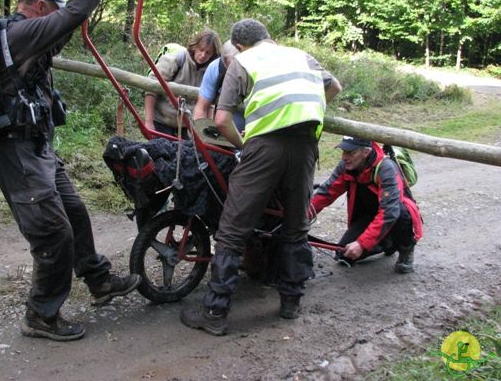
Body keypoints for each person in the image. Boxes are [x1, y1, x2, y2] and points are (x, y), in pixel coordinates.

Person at [0, 0, 141, 342]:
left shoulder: (31, 37)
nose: (57, 18)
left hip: (38, 149)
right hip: (17, 153)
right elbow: (73, 15)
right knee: (53, 234)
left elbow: (69, 22)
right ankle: (41, 315)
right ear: (38, 7)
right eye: (52, 10)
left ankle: (99, 281)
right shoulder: (19, 33)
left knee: (74, 213)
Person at [180, 19, 342, 336]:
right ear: (268, 38)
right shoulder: (301, 56)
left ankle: (214, 312)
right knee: (295, 224)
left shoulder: (243, 61)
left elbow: (222, 119)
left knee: (232, 228)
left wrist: (243, 146)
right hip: (306, 144)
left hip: (264, 147)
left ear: (239, 45)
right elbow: (333, 86)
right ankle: (291, 303)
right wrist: (306, 108)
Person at [308, 136, 423, 273]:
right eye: (344, 152)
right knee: (344, 255)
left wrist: (362, 244)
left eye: (351, 153)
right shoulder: (346, 165)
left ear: (366, 152)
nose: (345, 157)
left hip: (394, 216)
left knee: (400, 213)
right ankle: (387, 243)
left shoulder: (386, 168)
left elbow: (389, 213)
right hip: (368, 216)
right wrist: (300, 218)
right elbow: (326, 193)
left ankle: (405, 248)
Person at [144, 29, 221, 138]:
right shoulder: (178, 58)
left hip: (187, 125)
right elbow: (151, 87)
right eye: (201, 50)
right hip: (162, 120)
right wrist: (148, 121)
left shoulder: (212, 71)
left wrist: (206, 132)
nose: (203, 55)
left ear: (213, 54)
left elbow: (209, 104)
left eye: (208, 52)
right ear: (195, 47)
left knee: (186, 154)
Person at [192, 40, 245, 132]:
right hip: (226, 125)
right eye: (231, 67)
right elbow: (201, 108)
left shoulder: (258, 69)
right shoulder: (215, 68)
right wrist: (201, 137)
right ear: (224, 61)